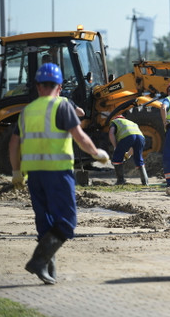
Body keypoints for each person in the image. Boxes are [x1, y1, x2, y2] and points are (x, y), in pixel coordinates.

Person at [8, 63, 110, 285]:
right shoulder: (62, 106)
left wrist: (16, 172)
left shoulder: (26, 111)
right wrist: (97, 153)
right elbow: (80, 137)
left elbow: (13, 144)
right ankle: (38, 261)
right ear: (60, 86)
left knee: (45, 223)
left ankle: (46, 268)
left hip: (34, 175)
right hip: (58, 173)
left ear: (37, 87)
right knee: (66, 222)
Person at [108, 115, 148, 185]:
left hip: (127, 137)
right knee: (139, 159)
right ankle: (145, 182)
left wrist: (115, 147)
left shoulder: (115, 122)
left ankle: (120, 181)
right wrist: (128, 155)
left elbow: (111, 134)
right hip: (141, 138)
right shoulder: (131, 123)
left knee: (117, 158)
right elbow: (134, 143)